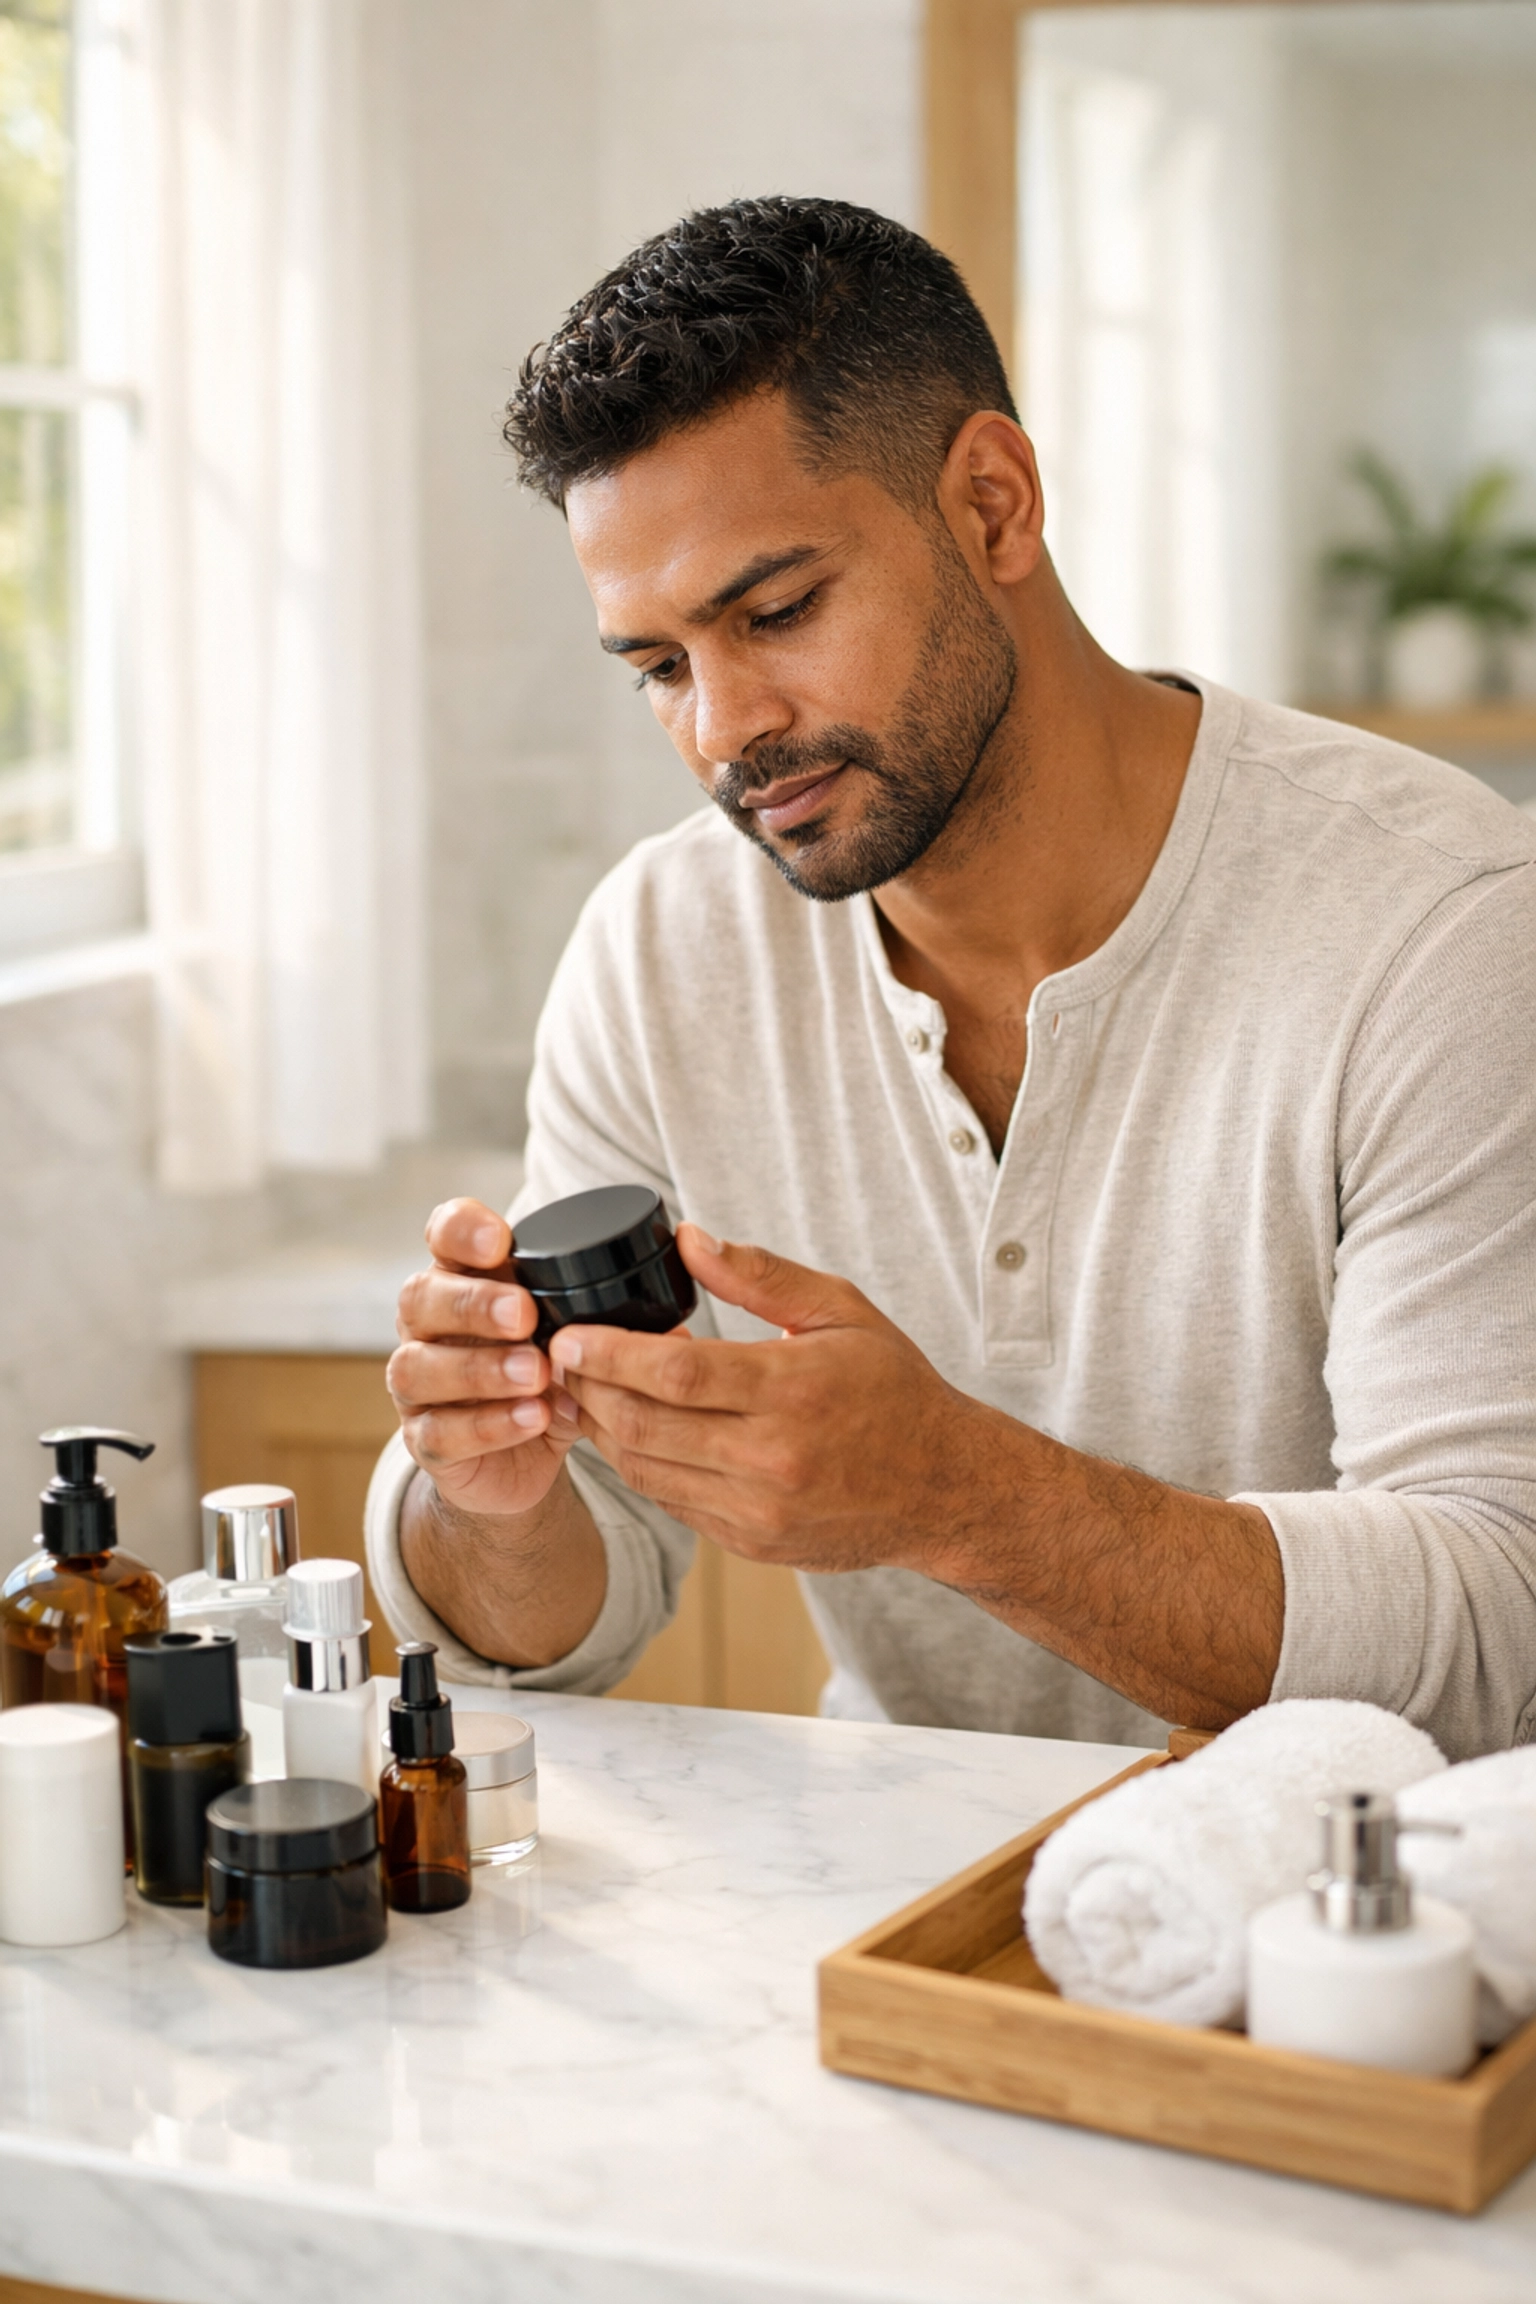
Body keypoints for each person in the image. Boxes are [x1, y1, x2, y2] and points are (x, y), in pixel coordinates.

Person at [366, 197, 1536, 1759]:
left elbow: (1497, 1623)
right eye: (657, 666)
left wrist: (957, 1493)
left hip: (1384, 1930)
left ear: (992, 504)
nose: (720, 731)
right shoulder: (660, 955)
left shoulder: (1439, 928)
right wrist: (492, 1490)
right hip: (909, 1901)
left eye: (776, 612)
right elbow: (553, 1623)